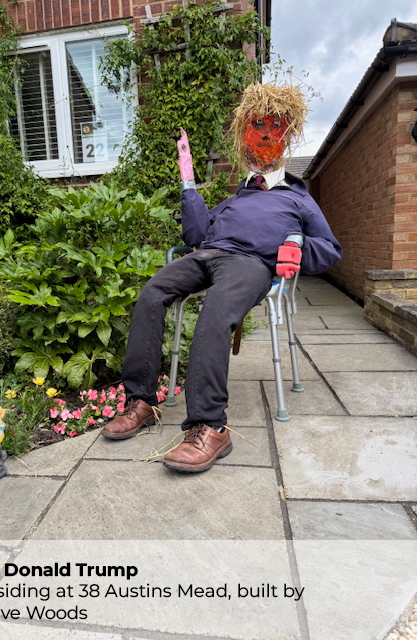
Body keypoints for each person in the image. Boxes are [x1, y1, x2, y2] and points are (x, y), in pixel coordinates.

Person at [102, 83, 342, 473]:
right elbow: (196, 235)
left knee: (215, 310)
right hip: (207, 255)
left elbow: (330, 249)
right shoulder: (236, 198)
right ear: (245, 137)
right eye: (256, 126)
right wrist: (187, 179)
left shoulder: (298, 198)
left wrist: (298, 247)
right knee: (151, 293)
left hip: (251, 264)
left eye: (274, 127)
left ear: (286, 136)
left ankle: (210, 426)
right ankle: (141, 402)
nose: (265, 135)